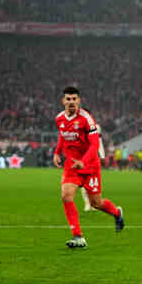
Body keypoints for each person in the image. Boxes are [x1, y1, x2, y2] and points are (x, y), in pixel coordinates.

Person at [54, 86, 124, 248]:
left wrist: (83, 161)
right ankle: (78, 236)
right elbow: (62, 136)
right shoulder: (59, 119)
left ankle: (116, 213)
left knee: (96, 203)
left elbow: (94, 144)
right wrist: (57, 152)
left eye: (74, 99)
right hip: (72, 166)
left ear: (79, 101)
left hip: (90, 166)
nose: (71, 102)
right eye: (68, 99)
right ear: (63, 101)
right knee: (66, 195)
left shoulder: (87, 119)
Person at [80, 108, 105, 212]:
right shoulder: (77, 127)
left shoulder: (96, 127)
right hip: (83, 157)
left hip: (94, 157)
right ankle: (87, 203)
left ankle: (94, 203)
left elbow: (99, 141)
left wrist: (102, 155)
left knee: (94, 182)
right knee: (83, 182)